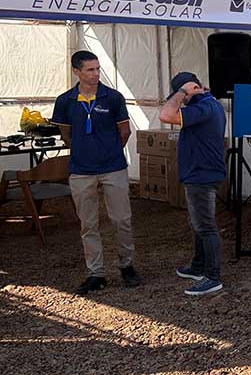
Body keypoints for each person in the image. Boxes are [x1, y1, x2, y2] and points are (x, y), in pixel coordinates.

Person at [50, 50, 142, 295]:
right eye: (90, 69)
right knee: (88, 224)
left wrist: (109, 152)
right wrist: (83, 151)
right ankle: (96, 273)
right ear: (76, 71)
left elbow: (125, 132)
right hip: (81, 171)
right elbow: (65, 134)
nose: (95, 74)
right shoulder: (65, 100)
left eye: (98, 69)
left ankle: (127, 265)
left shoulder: (113, 97)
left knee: (122, 219)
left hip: (113, 168)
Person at [158, 72, 227, 296]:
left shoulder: (203, 108)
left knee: (206, 227)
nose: (181, 99)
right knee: (199, 224)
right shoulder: (207, 105)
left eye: (182, 94)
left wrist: (184, 91)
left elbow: (166, 115)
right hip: (200, 174)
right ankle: (198, 267)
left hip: (202, 175)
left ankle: (213, 277)